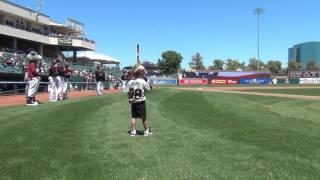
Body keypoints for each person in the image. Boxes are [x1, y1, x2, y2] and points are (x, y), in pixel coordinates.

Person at [128, 64, 152, 136]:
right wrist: (146, 80)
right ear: (141, 73)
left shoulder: (131, 81)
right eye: (143, 72)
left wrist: (130, 99)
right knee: (144, 117)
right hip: (141, 102)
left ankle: (133, 131)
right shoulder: (143, 81)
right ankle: (146, 131)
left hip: (133, 101)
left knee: (133, 117)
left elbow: (129, 91)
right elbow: (149, 88)